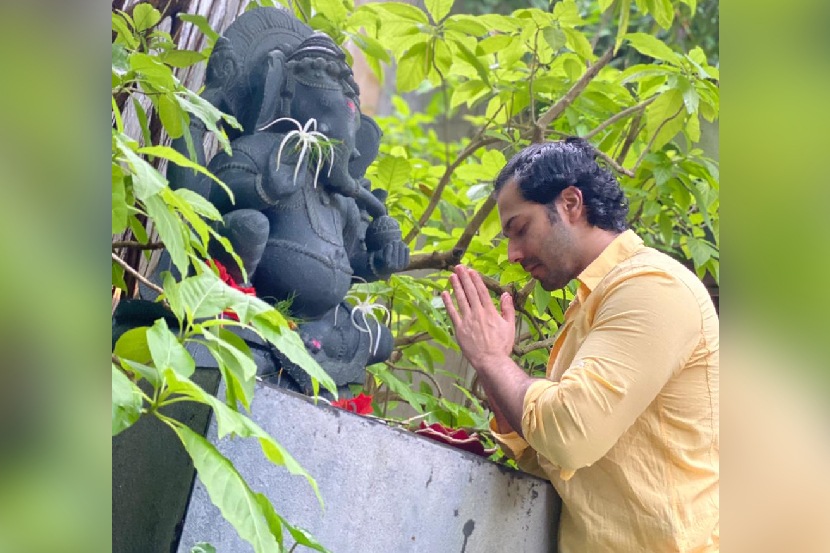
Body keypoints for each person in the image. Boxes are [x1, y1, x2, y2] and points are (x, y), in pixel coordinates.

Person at [441, 138, 719, 552]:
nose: (513, 254)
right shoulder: (592, 302)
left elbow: (570, 436)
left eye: (520, 230)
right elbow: (554, 460)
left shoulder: (653, 288)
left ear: (571, 204)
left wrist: (493, 358)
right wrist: (488, 365)